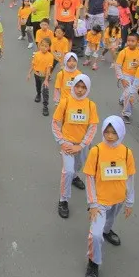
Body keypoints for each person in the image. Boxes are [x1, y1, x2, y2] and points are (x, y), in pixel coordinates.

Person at [83, 116, 135, 277]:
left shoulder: (127, 152)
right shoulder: (96, 151)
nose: (110, 135)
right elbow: (89, 177)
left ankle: (108, 230)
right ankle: (93, 262)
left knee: (109, 222)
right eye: (107, 131)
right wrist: (92, 203)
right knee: (95, 235)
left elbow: (130, 178)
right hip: (100, 202)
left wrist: (129, 202)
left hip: (118, 199)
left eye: (114, 132)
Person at [52, 74, 99, 219]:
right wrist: (62, 142)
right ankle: (63, 200)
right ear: (73, 87)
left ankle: (74, 177)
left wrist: (82, 145)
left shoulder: (91, 105)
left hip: (83, 146)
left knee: (77, 167)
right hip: (67, 145)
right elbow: (55, 123)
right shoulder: (65, 102)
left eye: (83, 87)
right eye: (77, 86)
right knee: (68, 171)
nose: (80, 90)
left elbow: (93, 126)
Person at [116, 33, 139, 124]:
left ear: (137, 42)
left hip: (138, 76)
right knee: (129, 93)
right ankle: (126, 114)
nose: (130, 43)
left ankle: (122, 99)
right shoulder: (123, 52)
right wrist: (122, 78)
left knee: (128, 92)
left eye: (133, 41)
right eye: (128, 41)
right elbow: (118, 66)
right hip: (126, 75)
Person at [28, 37, 54, 116]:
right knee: (38, 86)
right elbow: (33, 64)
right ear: (39, 46)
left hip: (44, 76)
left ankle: (45, 106)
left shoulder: (50, 56)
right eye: (42, 45)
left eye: (46, 46)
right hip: (36, 74)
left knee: (45, 90)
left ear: (49, 47)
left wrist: (46, 79)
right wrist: (29, 73)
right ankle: (38, 94)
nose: (43, 47)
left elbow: (49, 69)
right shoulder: (36, 54)